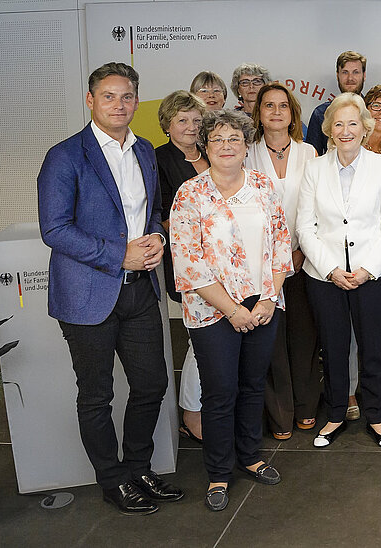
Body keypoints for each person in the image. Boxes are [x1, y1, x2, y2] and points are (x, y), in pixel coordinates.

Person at [38, 62, 182, 516]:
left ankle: (138, 467)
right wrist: (119, 254)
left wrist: (158, 237)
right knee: (97, 394)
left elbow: (155, 209)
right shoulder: (65, 156)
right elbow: (55, 229)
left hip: (140, 291)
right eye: (108, 96)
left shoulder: (143, 152)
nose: (119, 105)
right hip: (87, 294)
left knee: (152, 384)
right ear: (90, 100)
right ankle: (112, 478)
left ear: (136, 102)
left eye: (126, 97)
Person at [170, 109, 292, 511]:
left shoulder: (262, 187)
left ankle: (251, 456)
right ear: (205, 145)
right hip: (212, 313)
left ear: (246, 146)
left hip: (262, 307)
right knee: (220, 393)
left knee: (253, 386)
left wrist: (269, 298)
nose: (226, 146)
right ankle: (219, 473)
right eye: (218, 139)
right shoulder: (189, 195)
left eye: (234, 139)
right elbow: (189, 263)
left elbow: (279, 245)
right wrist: (232, 310)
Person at [297, 93, 381, 449]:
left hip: (373, 275)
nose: (345, 131)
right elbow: (305, 228)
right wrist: (330, 269)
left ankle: (376, 415)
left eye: (353, 123)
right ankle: (336, 413)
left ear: (365, 127)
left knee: (373, 347)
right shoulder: (314, 168)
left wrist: (367, 268)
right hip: (324, 277)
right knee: (334, 346)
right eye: (338, 124)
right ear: (328, 129)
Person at [244, 83, 320, 441]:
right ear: (258, 113)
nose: (276, 111)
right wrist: (275, 256)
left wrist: (301, 250)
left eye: (283, 106)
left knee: (304, 337)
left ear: (293, 113)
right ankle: (280, 414)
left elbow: (318, 208)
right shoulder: (246, 153)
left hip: (304, 259)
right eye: (268, 105)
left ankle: (306, 406)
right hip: (262, 263)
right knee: (270, 340)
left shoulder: (310, 152)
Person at [154, 91, 210, 444]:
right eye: (182, 120)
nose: (190, 127)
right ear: (168, 125)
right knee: (200, 340)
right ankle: (191, 412)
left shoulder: (211, 153)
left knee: (216, 338)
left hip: (226, 264)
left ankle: (209, 408)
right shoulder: (158, 159)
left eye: (195, 120)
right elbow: (159, 215)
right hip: (188, 264)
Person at [307, 51, 367, 155]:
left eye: (355, 72)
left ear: (364, 75)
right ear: (337, 75)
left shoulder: (375, 111)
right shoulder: (321, 113)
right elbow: (312, 155)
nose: (350, 78)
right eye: (345, 72)